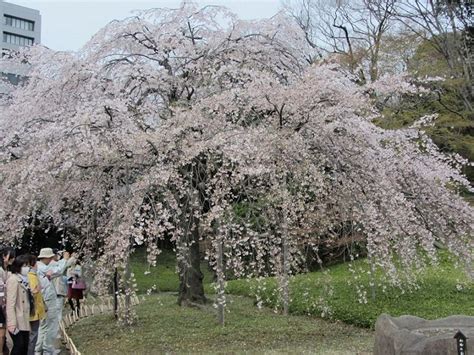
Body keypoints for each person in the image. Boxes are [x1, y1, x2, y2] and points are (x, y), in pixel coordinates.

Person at [35, 248, 75, 355]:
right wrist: (65, 260)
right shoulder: (42, 268)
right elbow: (57, 271)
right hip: (47, 299)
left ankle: (38, 350)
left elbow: (56, 269)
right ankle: (47, 350)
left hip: (44, 298)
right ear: (48, 257)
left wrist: (64, 261)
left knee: (43, 326)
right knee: (51, 324)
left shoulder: (40, 266)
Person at [6, 255, 31, 355]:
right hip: (17, 319)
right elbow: (10, 303)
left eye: (28, 265)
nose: (27, 268)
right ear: (18, 266)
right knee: (19, 345)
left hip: (24, 318)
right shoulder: (13, 280)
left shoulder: (25, 280)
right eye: (24, 266)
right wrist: (12, 322)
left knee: (24, 345)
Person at [26, 255, 46, 355]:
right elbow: (33, 293)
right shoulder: (31, 276)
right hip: (33, 311)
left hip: (34, 310)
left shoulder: (32, 275)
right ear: (33, 264)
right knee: (33, 336)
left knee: (32, 335)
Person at [0, 246, 15, 355]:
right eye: (10, 256)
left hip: (5, 303)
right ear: (3, 256)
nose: (12, 259)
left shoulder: (7, 270)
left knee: (3, 331)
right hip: (1, 304)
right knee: (1, 332)